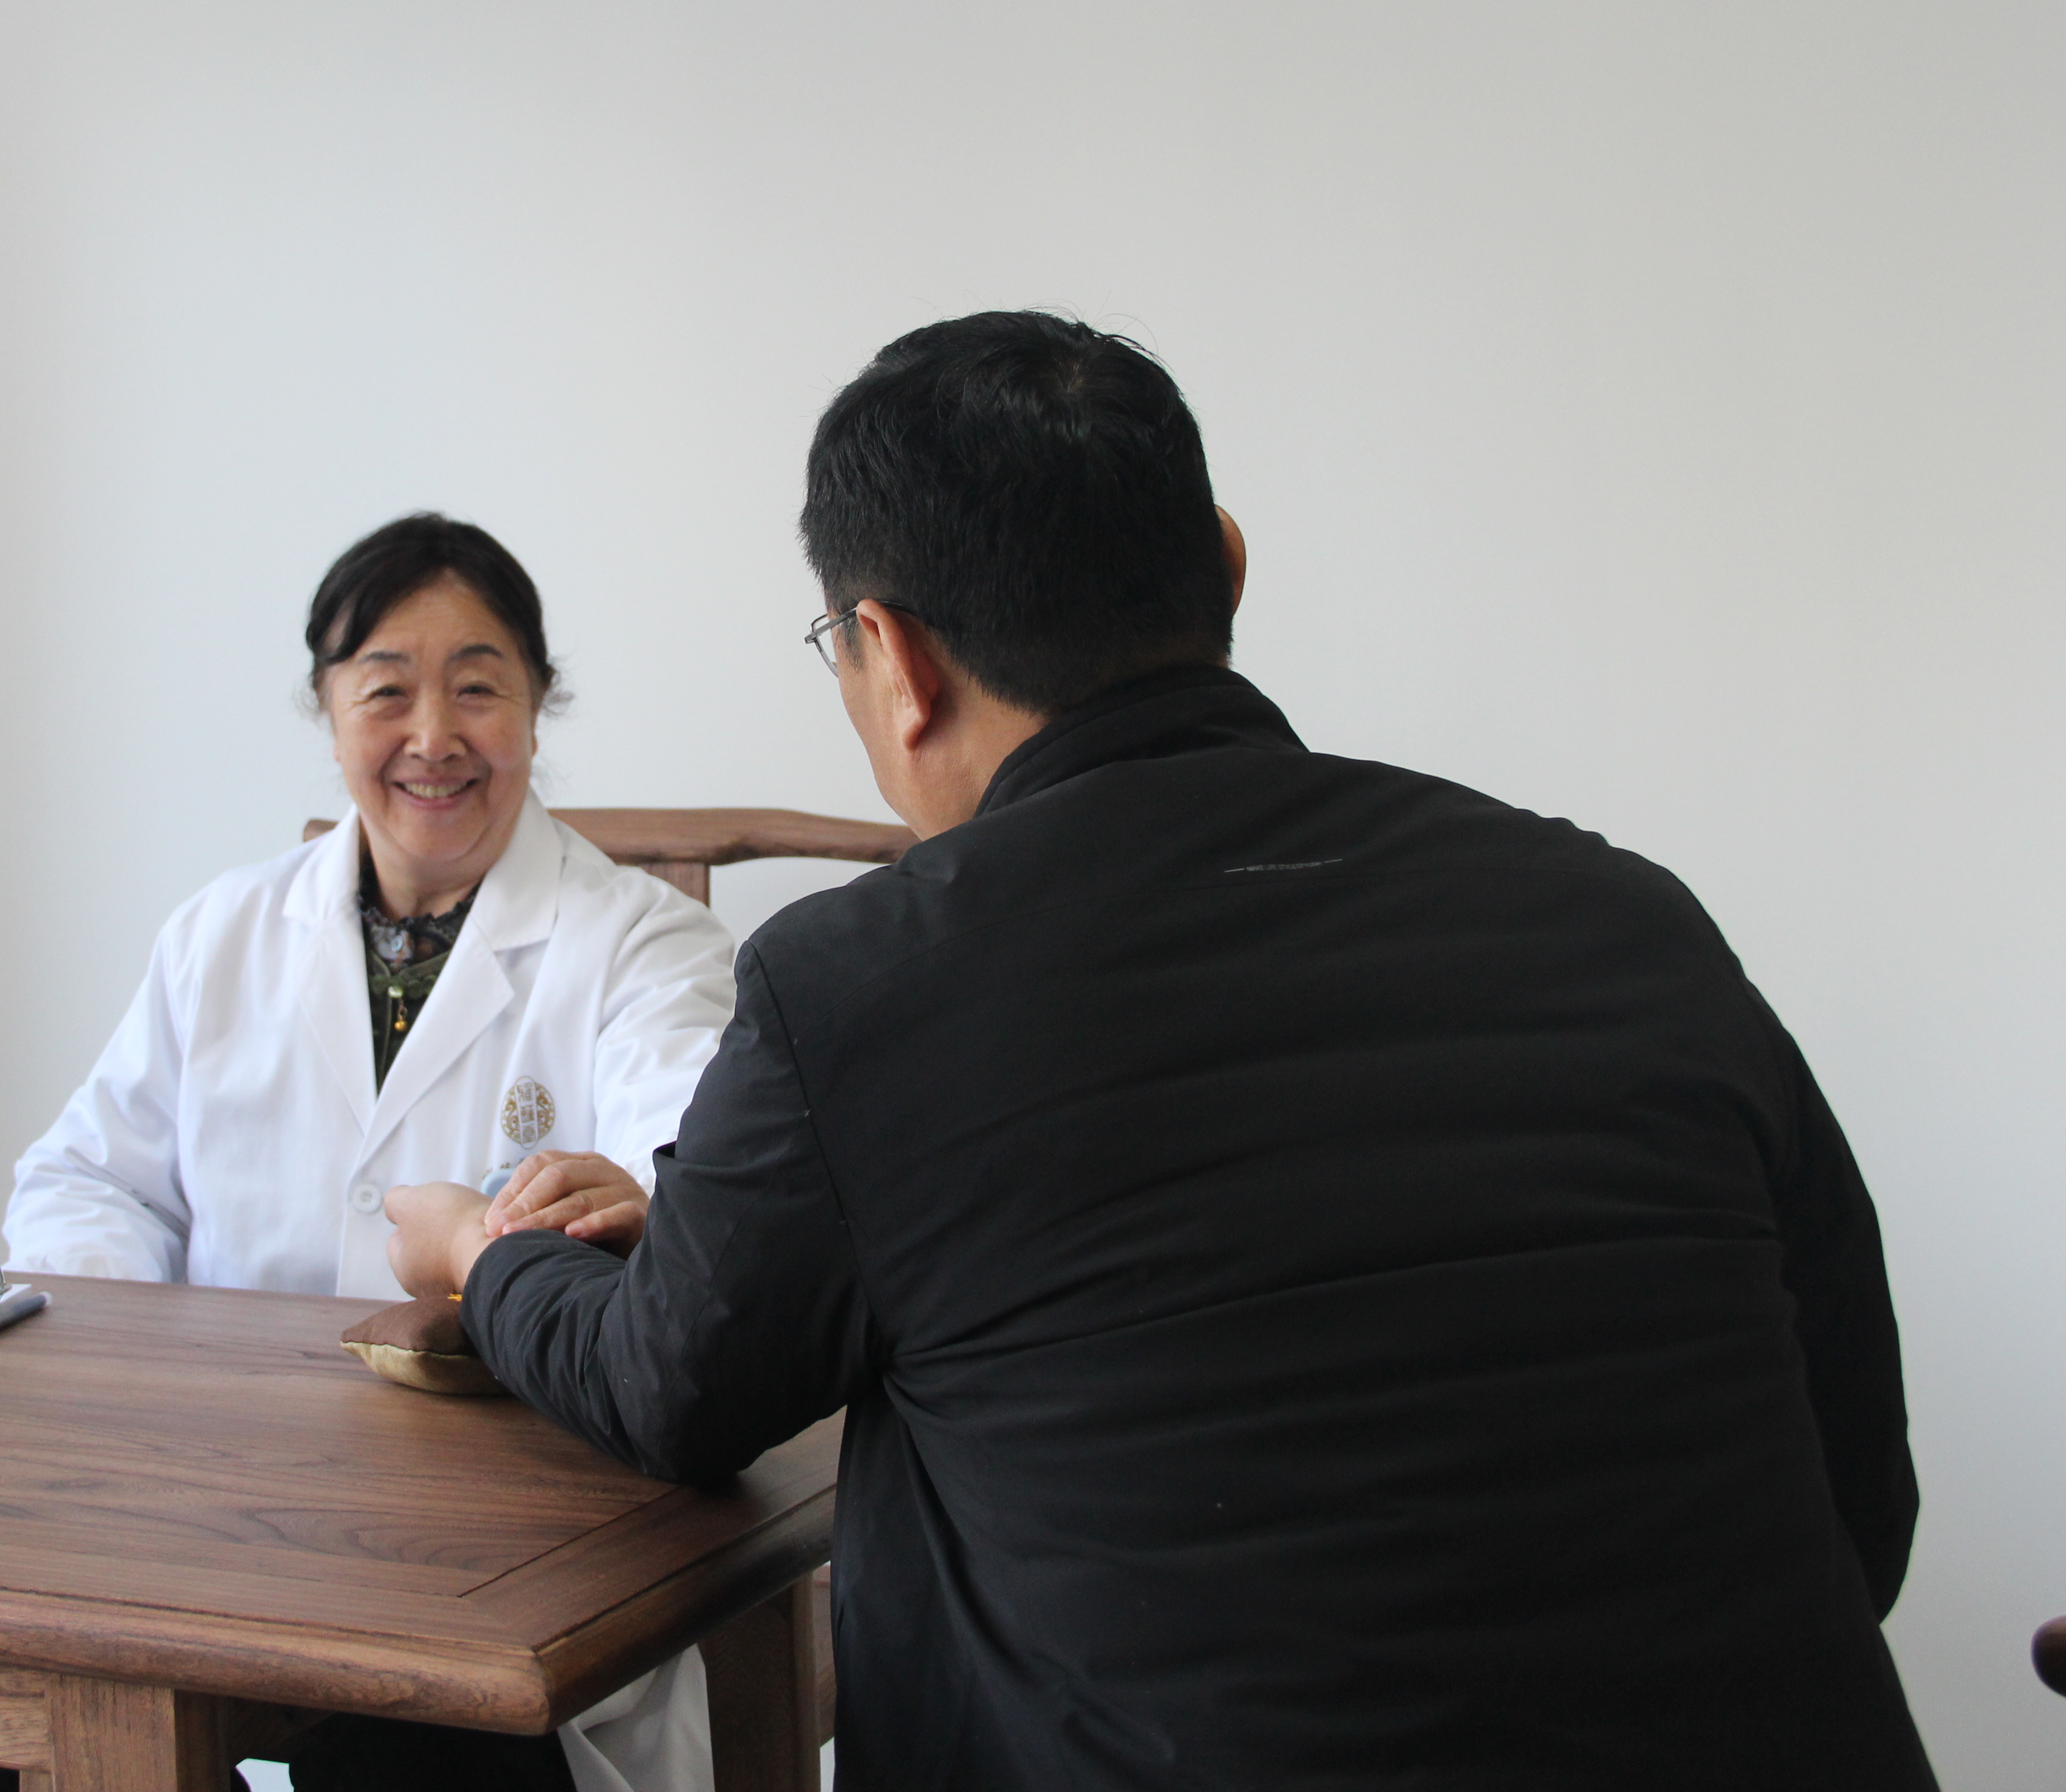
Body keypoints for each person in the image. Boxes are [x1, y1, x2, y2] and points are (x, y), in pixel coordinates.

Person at [386, 314, 1932, 1790]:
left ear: (896, 658)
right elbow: (1860, 1510)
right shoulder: (1628, 916)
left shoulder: (867, 985)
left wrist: (485, 1255)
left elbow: (669, 1390)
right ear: (1227, 566)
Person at [4, 512, 735, 1792]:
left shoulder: (644, 946)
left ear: (539, 704)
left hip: (512, 1551)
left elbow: (698, 1203)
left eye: (478, 689)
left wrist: (622, 1207)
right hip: (221, 1511)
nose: (433, 738)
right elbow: (84, 1181)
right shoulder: (222, 934)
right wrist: (150, 1361)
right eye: (386, 691)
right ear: (328, 710)